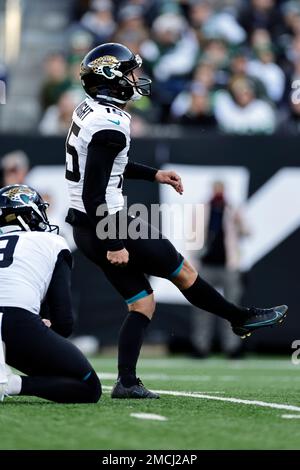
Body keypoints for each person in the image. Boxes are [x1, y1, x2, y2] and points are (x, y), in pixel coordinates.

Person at [65, 42, 288, 399]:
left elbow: (109, 169)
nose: (136, 79)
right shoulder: (109, 124)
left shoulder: (92, 111)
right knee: (182, 271)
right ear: (112, 78)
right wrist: (115, 242)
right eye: (130, 72)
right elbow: (94, 192)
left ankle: (126, 382)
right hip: (107, 223)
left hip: (88, 225)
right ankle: (239, 317)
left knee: (143, 304)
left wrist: (155, 175)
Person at [0, 184, 101, 404]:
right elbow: (64, 323)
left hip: (14, 321)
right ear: (31, 213)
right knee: (88, 386)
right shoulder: (51, 242)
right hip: (16, 323)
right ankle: (11, 384)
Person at [191, 181, 249, 358]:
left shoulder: (232, 209)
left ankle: (232, 347)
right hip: (206, 264)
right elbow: (192, 235)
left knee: (232, 308)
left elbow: (247, 232)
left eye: (220, 189)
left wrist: (239, 222)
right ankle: (201, 347)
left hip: (228, 265)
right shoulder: (202, 209)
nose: (218, 192)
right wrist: (194, 259)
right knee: (202, 308)